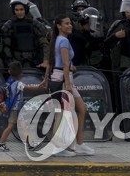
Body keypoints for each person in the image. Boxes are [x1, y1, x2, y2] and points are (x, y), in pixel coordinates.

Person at [49, 14, 94, 155]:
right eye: (66, 23)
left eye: (70, 23)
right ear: (59, 26)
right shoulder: (63, 41)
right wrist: (67, 84)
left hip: (64, 77)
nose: (70, 25)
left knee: (81, 109)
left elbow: (58, 61)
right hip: (63, 79)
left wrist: (71, 66)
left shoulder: (59, 40)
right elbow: (63, 64)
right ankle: (57, 147)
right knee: (64, 114)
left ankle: (79, 144)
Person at [0, 61, 44, 152]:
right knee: (16, 126)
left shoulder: (9, 81)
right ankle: (2, 143)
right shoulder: (18, 84)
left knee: (19, 125)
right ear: (20, 74)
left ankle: (28, 144)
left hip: (13, 108)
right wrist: (39, 87)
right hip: (15, 109)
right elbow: (29, 88)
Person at [2, 0, 49, 71]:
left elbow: (44, 44)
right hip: (16, 63)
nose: (19, 12)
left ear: (26, 10)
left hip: (35, 62)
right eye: (16, 10)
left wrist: (45, 61)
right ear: (13, 11)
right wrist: (11, 63)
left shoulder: (34, 24)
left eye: (21, 9)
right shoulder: (9, 25)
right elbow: (6, 47)